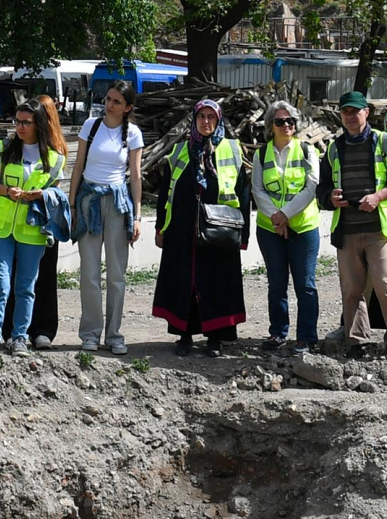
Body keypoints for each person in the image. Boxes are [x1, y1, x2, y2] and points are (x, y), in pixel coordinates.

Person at [321, 91, 387, 356]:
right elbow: (323, 190)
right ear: (341, 115)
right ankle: (357, 341)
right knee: (352, 289)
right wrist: (330, 197)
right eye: (346, 112)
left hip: (378, 229)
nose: (351, 116)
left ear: (366, 112)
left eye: (356, 111)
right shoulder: (333, 148)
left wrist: (378, 197)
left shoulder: (386, 143)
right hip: (347, 230)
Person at [150, 98, 248, 354]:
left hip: (219, 229)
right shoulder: (180, 151)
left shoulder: (231, 150)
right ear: (194, 120)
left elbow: (243, 193)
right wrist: (161, 227)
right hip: (183, 229)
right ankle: (184, 336)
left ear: (218, 121)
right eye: (201, 117)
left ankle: (215, 338)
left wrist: (243, 235)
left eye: (211, 117)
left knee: (216, 283)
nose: (206, 122)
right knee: (186, 283)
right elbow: (166, 193)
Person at [0, 103, 64, 354]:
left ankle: (20, 337)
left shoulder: (54, 157)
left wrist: (42, 194)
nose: (20, 127)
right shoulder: (4, 148)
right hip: (2, 228)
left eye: (26, 122)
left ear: (39, 124)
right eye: (17, 121)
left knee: (26, 287)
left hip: (32, 230)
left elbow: (55, 194)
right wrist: (8, 191)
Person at [72, 82, 145, 354]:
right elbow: (78, 166)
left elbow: (135, 176)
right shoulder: (90, 126)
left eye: (116, 101)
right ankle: (90, 333)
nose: (110, 105)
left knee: (116, 274)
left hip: (117, 204)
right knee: (89, 273)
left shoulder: (133, 134)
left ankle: (114, 335)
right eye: (108, 99)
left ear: (127, 108)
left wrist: (137, 216)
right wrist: (72, 206)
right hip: (88, 202)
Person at [249, 100, 322, 350]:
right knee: (277, 283)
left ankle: (307, 337)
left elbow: (312, 186)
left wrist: (287, 214)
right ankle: (278, 333)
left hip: (303, 227)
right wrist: (276, 217)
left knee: (305, 285)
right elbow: (257, 189)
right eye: (280, 121)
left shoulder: (306, 151)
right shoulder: (261, 153)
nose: (286, 125)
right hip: (270, 229)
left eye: (290, 121)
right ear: (271, 126)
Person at [25, 94, 70, 347]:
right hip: (20, 222)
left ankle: (42, 328)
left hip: (45, 221)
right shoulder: (18, 146)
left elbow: (57, 187)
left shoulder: (56, 150)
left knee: (44, 276)